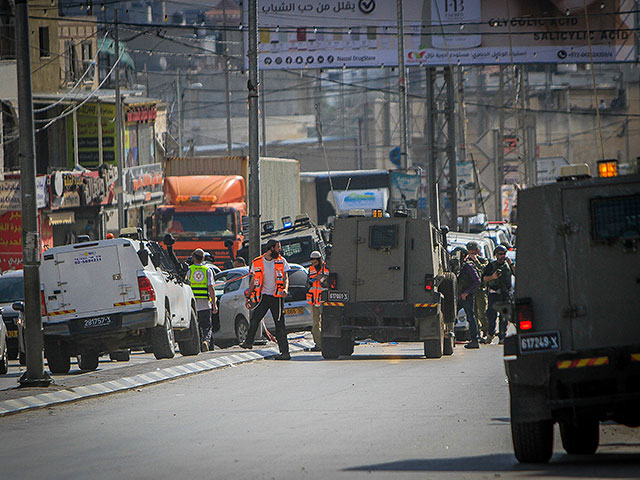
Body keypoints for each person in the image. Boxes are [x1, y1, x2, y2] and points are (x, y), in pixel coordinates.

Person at [240, 239, 291, 360]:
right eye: (278, 247)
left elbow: (286, 278)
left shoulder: (281, 261)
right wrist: (248, 296)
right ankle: (248, 342)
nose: (280, 250)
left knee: (280, 325)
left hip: (277, 297)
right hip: (263, 297)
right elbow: (253, 281)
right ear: (271, 248)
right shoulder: (257, 262)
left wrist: (285, 289)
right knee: (254, 319)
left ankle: (285, 353)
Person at [482, 245, 515, 345]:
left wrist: (511, 264)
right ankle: (490, 335)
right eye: (500, 254)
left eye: (504, 254)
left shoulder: (508, 265)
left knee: (504, 317)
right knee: (492, 316)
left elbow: (516, 273)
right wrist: (493, 277)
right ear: (496, 255)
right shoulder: (491, 265)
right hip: (494, 294)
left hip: (505, 294)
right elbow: (483, 278)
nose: (502, 256)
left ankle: (502, 336)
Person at [187, 248, 217, 352]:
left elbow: (187, 285)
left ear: (193, 258)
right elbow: (211, 288)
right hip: (205, 302)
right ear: (203, 258)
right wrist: (214, 304)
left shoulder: (189, 270)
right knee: (207, 326)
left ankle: (199, 345)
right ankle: (206, 341)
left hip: (193, 303)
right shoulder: (207, 270)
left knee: (196, 325)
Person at [457, 247, 482, 349]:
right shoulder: (458, 266)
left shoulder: (468, 266)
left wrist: (466, 293)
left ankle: (474, 340)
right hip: (458, 296)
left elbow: (477, 281)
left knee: (471, 318)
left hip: (466, 296)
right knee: (451, 315)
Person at [466, 241, 489, 342]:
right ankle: (477, 332)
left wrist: (476, 261)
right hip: (471, 290)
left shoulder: (483, 260)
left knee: (482, 311)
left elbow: (484, 270)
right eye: (470, 252)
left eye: (473, 252)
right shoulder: (466, 262)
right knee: (473, 312)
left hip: (480, 290)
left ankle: (486, 330)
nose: (472, 254)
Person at [306, 250, 328, 352]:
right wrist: (310, 282)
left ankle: (327, 343)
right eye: (312, 261)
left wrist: (322, 279)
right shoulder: (310, 269)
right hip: (314, 301)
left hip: (323, 300)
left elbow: (329, 282)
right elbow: (308, 282)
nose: (313, 263)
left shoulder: (326, 268)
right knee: (315, 324)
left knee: (325, 323)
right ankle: (319, 344)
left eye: (315, 261)